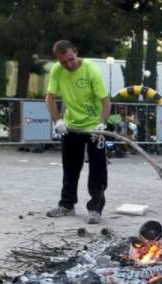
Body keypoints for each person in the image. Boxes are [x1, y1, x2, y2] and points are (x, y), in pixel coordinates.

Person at [45, 40, 111, 224]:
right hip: (72, 126)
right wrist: (58, 119)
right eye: (63, 62)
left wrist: (101, 125)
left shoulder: (91, 69)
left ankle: (95, 209)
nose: (69, 65)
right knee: (70, 168)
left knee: (98, 170)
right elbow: (49, 98)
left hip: (93, 127)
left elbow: (106, 102)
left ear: (76, 52)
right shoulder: (57, 70)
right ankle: (67, 205)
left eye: (71, 59)